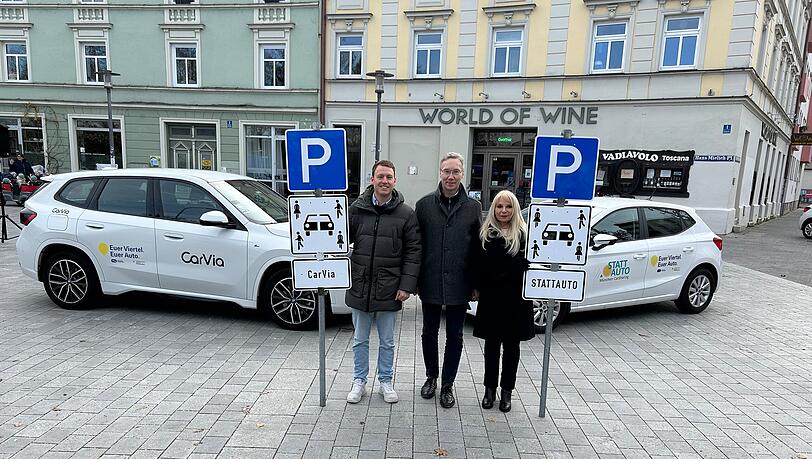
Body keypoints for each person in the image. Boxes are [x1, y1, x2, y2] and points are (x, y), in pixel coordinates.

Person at [345, 159, 421, 404]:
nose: (384, 181)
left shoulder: (406, 213)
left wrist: (406, 286)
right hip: (360, 284)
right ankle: (359, 381)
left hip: (390, 288)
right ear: (372, 179)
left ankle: (386, 382)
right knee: (360, 339)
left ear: (395, 180)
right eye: (380, 176)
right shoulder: (356, 209)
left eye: (389, 177)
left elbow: (413, 251)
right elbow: (338, 237)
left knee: (387, 341)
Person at [415, 152, 482, 408]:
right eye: (446, 171)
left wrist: (477, 284)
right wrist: (415, 280)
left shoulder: (473, 208)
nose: (451, 176)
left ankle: (447, 384)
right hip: (430, 280)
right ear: (440, 173)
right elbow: (416, 246)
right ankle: (431, 376)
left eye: (455, 172)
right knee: (428, 333)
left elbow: (479, 247)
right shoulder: (423, 205)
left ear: (462, 174)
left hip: (460, 282)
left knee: (455, 335)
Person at [472, 190, 534, 413]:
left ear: (515, 209)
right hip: (492, 298)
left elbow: (527, 267)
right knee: (491, 347)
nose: (504, 211)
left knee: (512, 348)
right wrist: (513, 266)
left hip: (517, 300)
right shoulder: (485, 235)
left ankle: (507, 391)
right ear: (494, 209)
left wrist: (510, 268)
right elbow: (483, 268)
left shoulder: (526, 235)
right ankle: (489, 389)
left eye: (508, 207)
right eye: (499, 207)